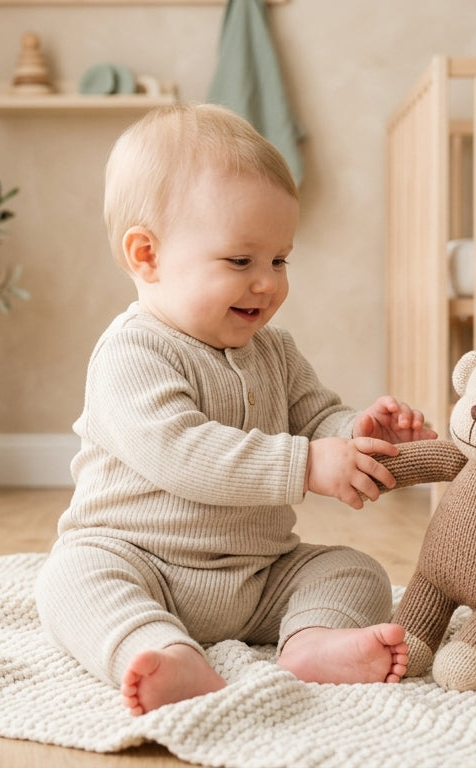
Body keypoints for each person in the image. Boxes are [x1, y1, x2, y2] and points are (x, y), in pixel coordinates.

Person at [34, 103, 438, 716]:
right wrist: (306, 465)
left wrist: (355, 435)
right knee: (70, 581)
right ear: (147, 255)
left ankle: (312, 641)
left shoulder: (274, 350)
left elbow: (313, 416)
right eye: (240, 261)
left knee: (355, 570)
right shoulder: (131, 352)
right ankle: (159, 649)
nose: (269, 283)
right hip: (143, 564)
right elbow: (182, 453)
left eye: (280, 259)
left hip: (258, 575)